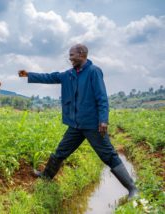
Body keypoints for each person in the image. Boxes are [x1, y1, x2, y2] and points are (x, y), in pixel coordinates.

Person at [18, 44, 138, 199]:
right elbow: (50, 77)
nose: (70, 58)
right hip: (75, 125)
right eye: (69, 55)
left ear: (82, 54)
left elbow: (102, 98)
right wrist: (29, 74)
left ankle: (132, 189)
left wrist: (103, 120)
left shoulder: (94, 72)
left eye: (72, 55)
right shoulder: (69, 74)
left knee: (108, 155)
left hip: (92, 125)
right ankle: (46, 177)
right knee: (61, 151)